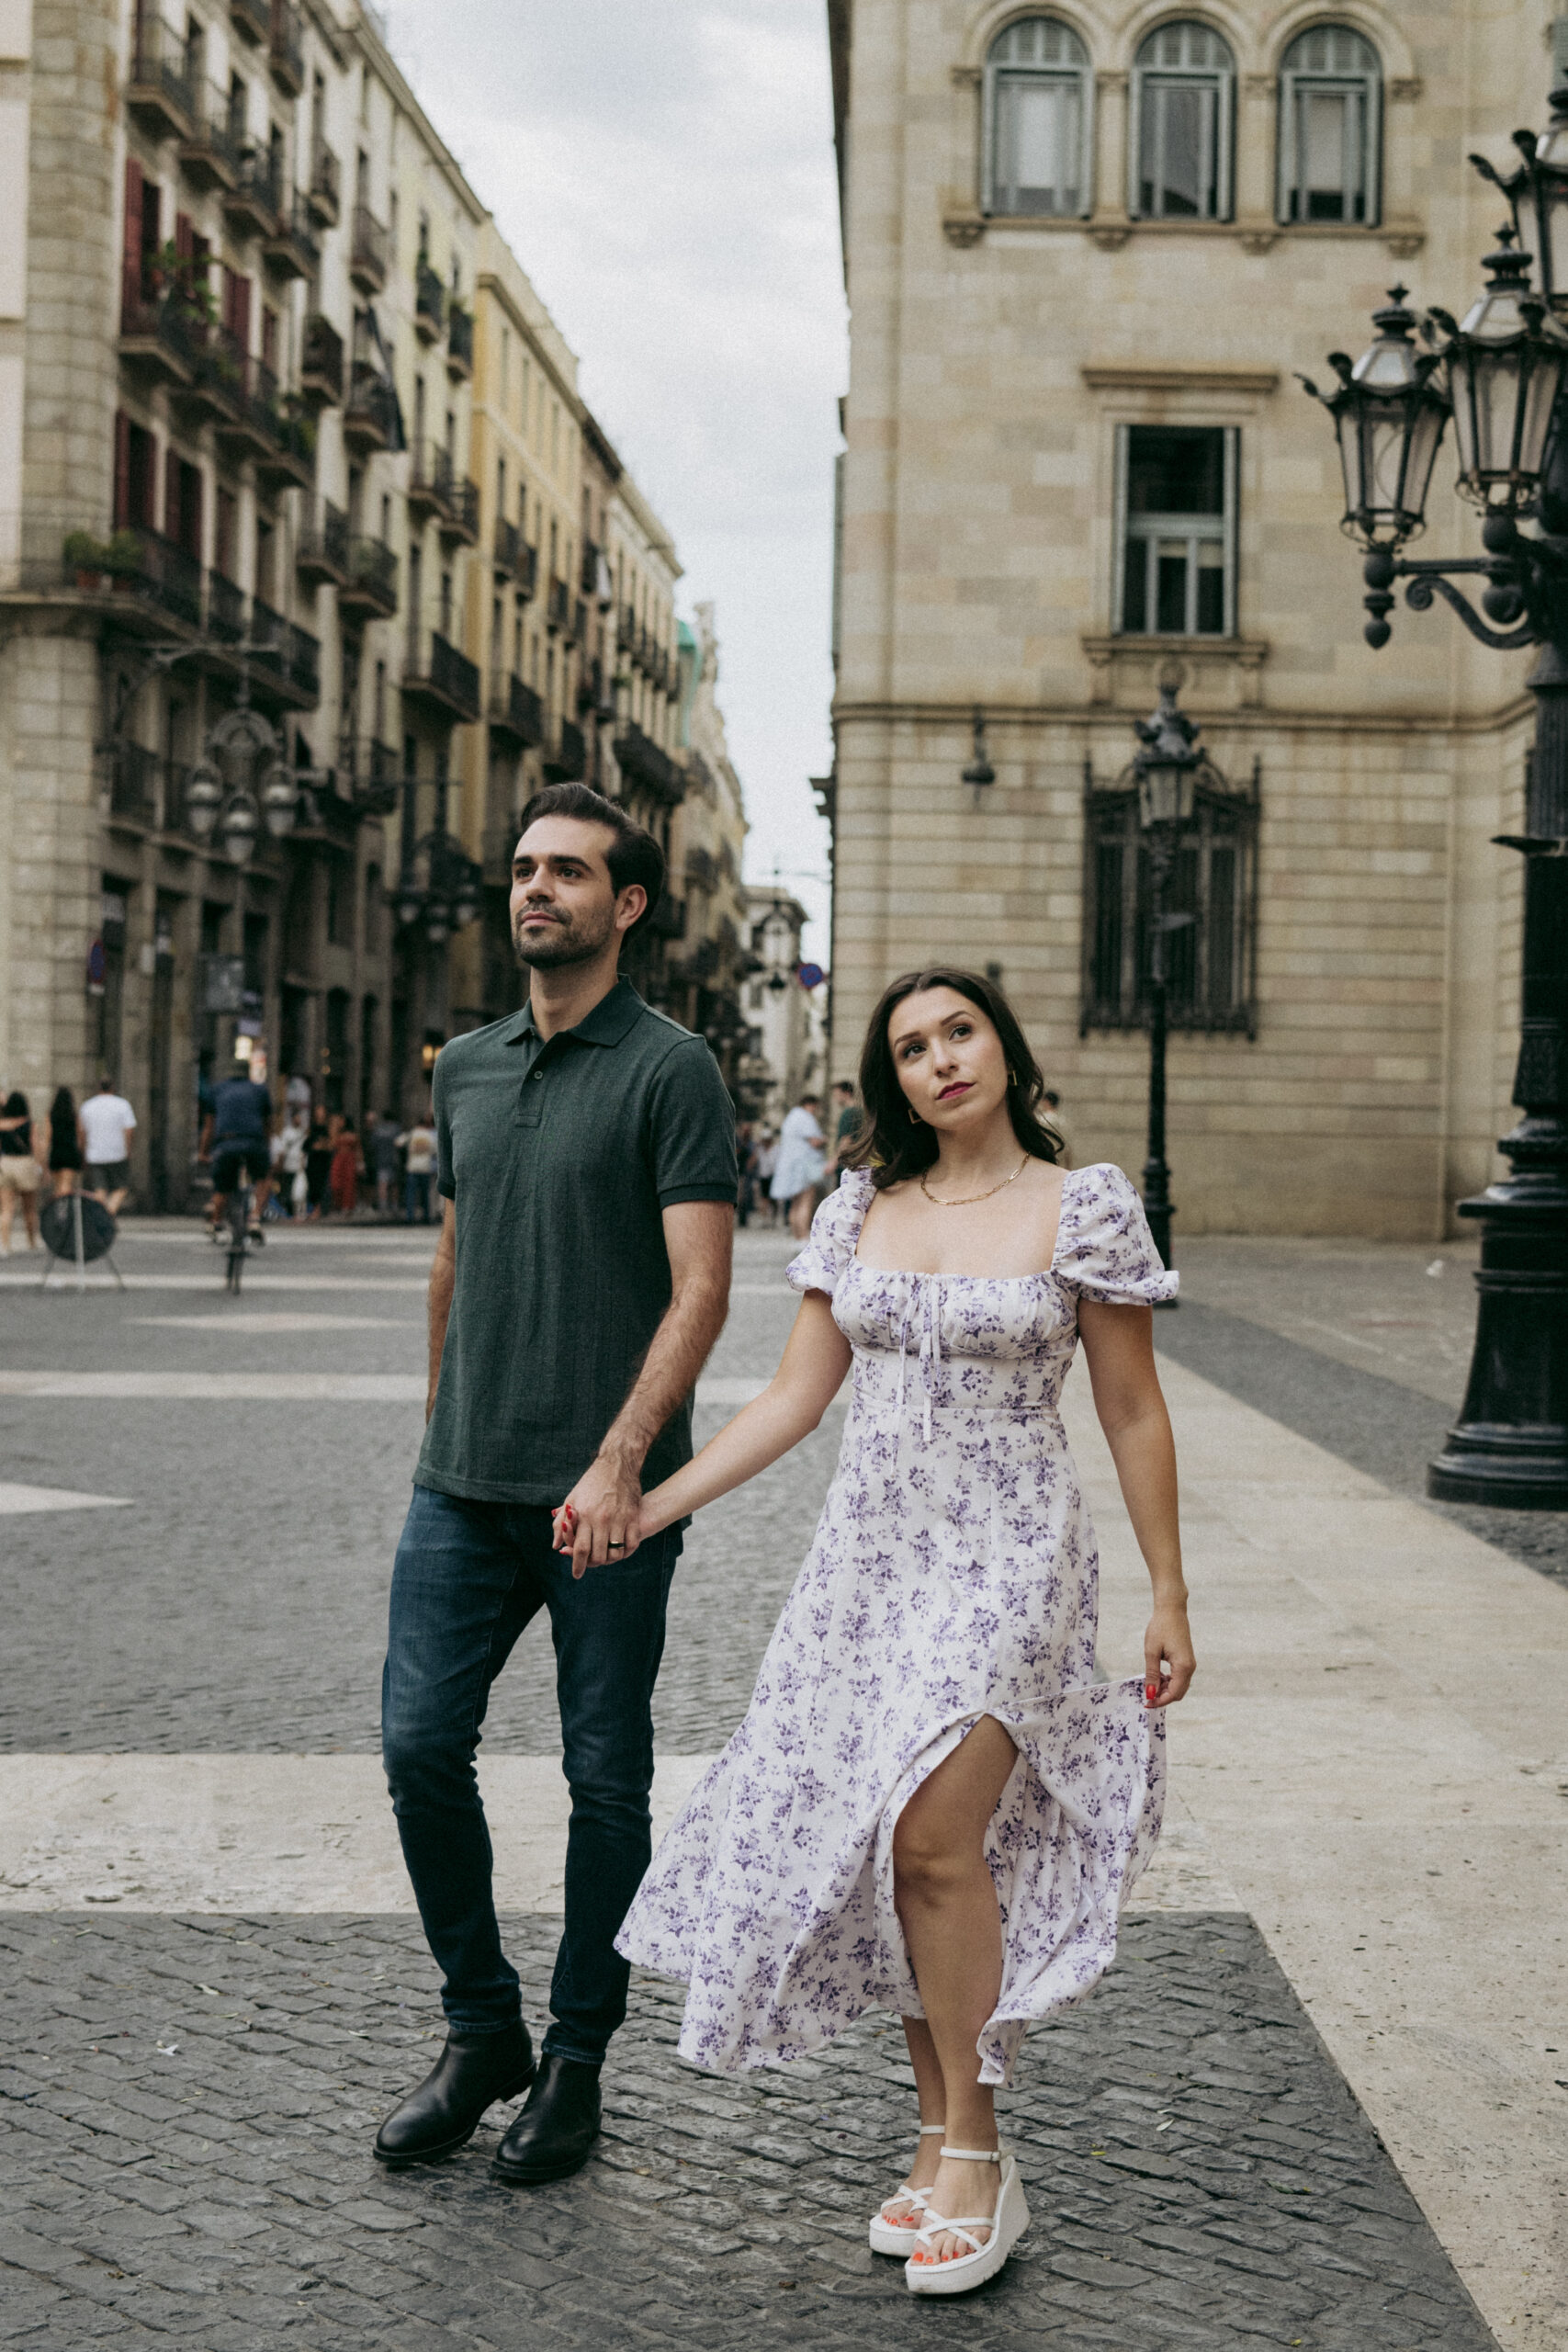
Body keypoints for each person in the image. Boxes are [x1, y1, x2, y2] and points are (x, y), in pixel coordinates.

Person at [616, 966, 1195, 2297]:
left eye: (960, 1031)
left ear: (1002, 1047)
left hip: (1010, 1558)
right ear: (894, 1077)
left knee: (933, 1832)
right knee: (896, 1852)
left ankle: (981, 2158)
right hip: (866, 1572)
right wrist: (652, 1504)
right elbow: (788, 1400)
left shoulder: (1079, 1203)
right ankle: (934, 2134)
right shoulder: (859, 1208)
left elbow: (1128, 1409)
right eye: (913, 1046)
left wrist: (1166, 1590)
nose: (940, 1060)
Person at [375, 780, 737, 2189]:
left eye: (568, 873)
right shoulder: (461, 1066)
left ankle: (576, 2055)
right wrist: (434, 1432)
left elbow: (700, 1289)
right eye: (523, 870)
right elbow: (452, 1262)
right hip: (459, 1491)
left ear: (625, 905)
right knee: (415, 1749)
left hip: (610, 1506)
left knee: (604, 1779)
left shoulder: (671, 1070)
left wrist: (620, 1463)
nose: (536, 891)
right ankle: (483, 2035)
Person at [201, 1063, 275, 1238]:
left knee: (222, 1186)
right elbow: (268, 1124)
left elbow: (209, 1127)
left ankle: (216, 1221)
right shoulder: (259, 1090)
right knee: (264, 1177)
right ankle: (255, 1217)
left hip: (226, 1143)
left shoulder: (217, 1090)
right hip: (253, 1142)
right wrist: (266, 1146)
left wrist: (203, 1152)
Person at [770, 1091, 826, 1239]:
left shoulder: (791, 1117)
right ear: (811, 1105)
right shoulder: (805, 1117)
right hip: (803, 1166)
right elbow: (815, 1141)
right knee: (806, 1202)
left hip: (790, 1165)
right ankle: (804, 1237)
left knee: (795, 1204)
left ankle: (796, 1237)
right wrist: (825, 1140)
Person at [78, 1077, 137, 1216]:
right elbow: (129, 1130)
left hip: (95, 1154)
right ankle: (110, 1212)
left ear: (98, 1088)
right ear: (113, 1088)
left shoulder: (87, 1106)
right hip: (117, 1153)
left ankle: (102, 1215)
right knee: (121, 1187)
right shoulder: (122, 1105)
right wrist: (128, 1149)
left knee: (100, 1188)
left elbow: (82, 1131)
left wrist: (84, 1150)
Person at [0, 1091, 44, 1253]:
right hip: (25, 1164)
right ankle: (32, 1242)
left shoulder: (2, 1125)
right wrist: (41, 1168)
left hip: (6, 1164)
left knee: (6, 1209)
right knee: (30, 1209)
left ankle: (5, 1244)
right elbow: (36, 1148)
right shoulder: (30, 1124)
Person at [398, 1115, 436, 1224]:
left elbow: (398, 1142)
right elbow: (435, 1150)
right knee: (425, 1194)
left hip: (412, 1167)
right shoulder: (429, 1135)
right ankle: (426, 1216)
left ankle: (410, 1216)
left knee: (411, 1193)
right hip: (425, 1167)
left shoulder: (411, 1133)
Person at [47, 1088, 83, 1197]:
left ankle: (58, 1210)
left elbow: (48, 1136)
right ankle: (64, 1210)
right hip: (70, 1152)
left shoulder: (51, 1115)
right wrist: (81, 1152)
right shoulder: (74, 1116)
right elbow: (79, 1135)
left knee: (57, 1186)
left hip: (56, 1152)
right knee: (66, 1185)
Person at [829, 1076, 861, 1190]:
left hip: (846, 1167)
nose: (835, 1098)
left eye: (836, 1095)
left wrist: (833, 1162)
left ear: (847, 1093)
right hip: (858, 1165)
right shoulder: (860, 1111)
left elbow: (846, 1140)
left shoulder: (849, 1112)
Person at [369, 1111, 402, 1216]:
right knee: (394, 1185)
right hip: (394, 1160)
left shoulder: (378, 1130)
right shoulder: (396, 1129)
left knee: (382, 1185)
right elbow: (400, 1144)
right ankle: (394, 1206)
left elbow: (373, 1144)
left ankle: (383, 1207)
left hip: (381, 1160)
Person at [303, 1113, 334, 1221]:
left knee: (322, 1187)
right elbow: (305, 1149)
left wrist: (323, 1146)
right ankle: (314, 1210)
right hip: (313, 1165)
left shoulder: (327, 1133)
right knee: (313, 1187)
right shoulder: (312, 1134)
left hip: (323, 1164)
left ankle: (319, 1210)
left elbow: (330, 1147)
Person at [330, 1119, 362, 1216]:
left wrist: (360, 1163)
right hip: (339, 1159)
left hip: (349, 1160)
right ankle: (337, 1205)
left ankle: (347, 1207)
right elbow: (332, 1145)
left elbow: (358, 1149)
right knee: (336, 1183)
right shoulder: (337, 1134)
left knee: (349, 1184)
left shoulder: (354, 1135)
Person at [755, 1128, 779, 1227]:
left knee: (774, 1199)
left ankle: (773, 1219)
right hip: (763, 1176)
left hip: (773, 1176)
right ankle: (764, 1219)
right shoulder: (760, 1150)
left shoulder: (776, 1149)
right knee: (764, 1199)